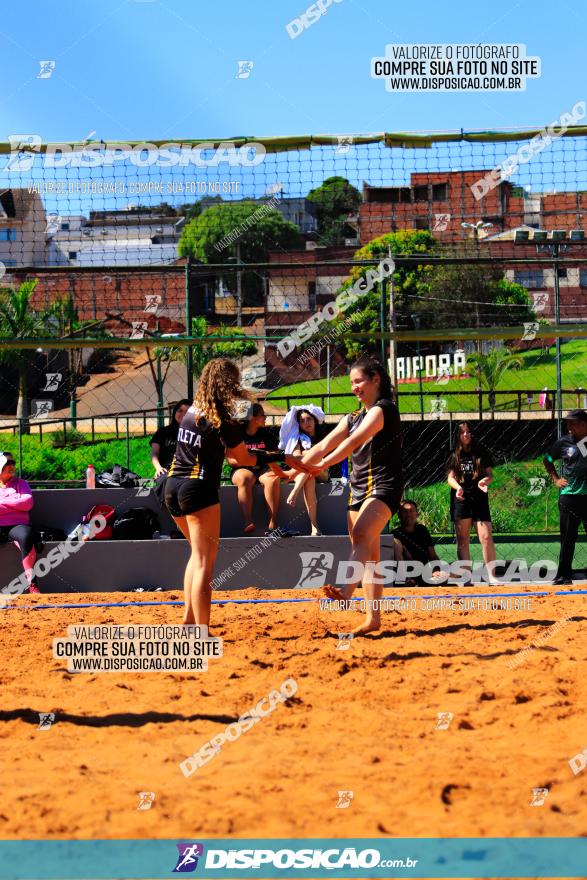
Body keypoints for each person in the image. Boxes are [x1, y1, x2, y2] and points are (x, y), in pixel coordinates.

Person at [164, 359, 314, 629]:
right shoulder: (222, 420)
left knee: (195, 556)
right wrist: (282, 457)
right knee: (204, 563)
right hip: (198, 489)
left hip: (172, 487)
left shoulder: (193, 412)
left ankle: (188, 620)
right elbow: (243, 459)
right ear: (228, 384)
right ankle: (201, 631)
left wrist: (278, 459)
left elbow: (235, 458)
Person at [298, 356, 403, 635]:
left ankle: (345, 591)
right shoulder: (353, 417)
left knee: (361, 535)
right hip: (358, 489)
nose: (354, 388)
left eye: (358, 381)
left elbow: (353, 442)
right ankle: (373, 619)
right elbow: (323, 444)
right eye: (351, 383)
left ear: (375, 380)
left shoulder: (383, 410)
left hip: (384, 486)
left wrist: (322, 465)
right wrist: (296, 467)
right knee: (369, 554)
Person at [446, 421, 497, 583]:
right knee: (463, 539)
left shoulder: (481, 453)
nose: (466, 435)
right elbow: (450, 478)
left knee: (486, 537)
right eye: (463, 432)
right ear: (458, 436)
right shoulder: (453, 454)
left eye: (468, 432)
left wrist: (484, 482)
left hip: (479, 498)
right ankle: (466, 576)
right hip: (461, 500)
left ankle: (492, 576)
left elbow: (490, 474)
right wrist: (458, 488)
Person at [543, 408, 587, 585]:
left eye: (572, 423)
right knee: (567, 538)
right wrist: (556, 479)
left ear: (584, 424)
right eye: (567, 423)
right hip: (569, 498)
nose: (568, 427)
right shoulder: (563, 443)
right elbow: (547, 459)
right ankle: (564, 575)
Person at [230, 403, 284, 535]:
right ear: (253, 418)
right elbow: (230, 460)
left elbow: (274, 455)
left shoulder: (266, 434)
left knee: (272, 479)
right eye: (262, 415)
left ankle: (273, 522)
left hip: (263, 468)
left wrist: (262, 455)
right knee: (245, 478)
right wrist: (248, 459)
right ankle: (248, 521)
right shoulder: (238, 434)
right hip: (241, 468)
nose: (265, 418)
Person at [279, 406, 329, 536]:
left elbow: (326, 458)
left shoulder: (323, 436)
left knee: (308, 463)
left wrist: (307, 454)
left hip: (322, 471)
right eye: (302, 421)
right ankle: (314, 526)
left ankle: (294, 492)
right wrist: (312, 455)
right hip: (302, 472)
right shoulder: (297, 437)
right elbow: (296, 458)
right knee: (309, 476)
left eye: (309, 419)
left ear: (315, 420)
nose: (306, 423)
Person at [0, 452, 39, 594]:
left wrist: (2, 502)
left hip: (17, 524)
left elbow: (27, 503)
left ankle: (32, 584)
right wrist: (16, 503)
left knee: (26, 536)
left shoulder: (21, 483)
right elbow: (21, 503)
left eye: (13, 463)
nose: (11, 466)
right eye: (7, 463)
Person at [392, 499, 440, 582]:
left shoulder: (422, 530)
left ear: (417, 514)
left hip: (426, 572)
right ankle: (406, 579)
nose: (408, 514)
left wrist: (436, 570)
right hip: (408, 573)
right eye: (405, 511)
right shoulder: (395, 534)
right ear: (399, 515)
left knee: (457, 569)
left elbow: (432, 555)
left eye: (411, 511)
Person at [150, 399, 191, 478]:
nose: (183, 414)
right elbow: (154, 453)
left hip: (189, 472)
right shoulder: (163, 432)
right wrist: (158, 468)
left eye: (187, 412)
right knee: (164, 480)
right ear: (175, 412)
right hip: (166, 471)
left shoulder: (197, 433)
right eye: (180, 410)